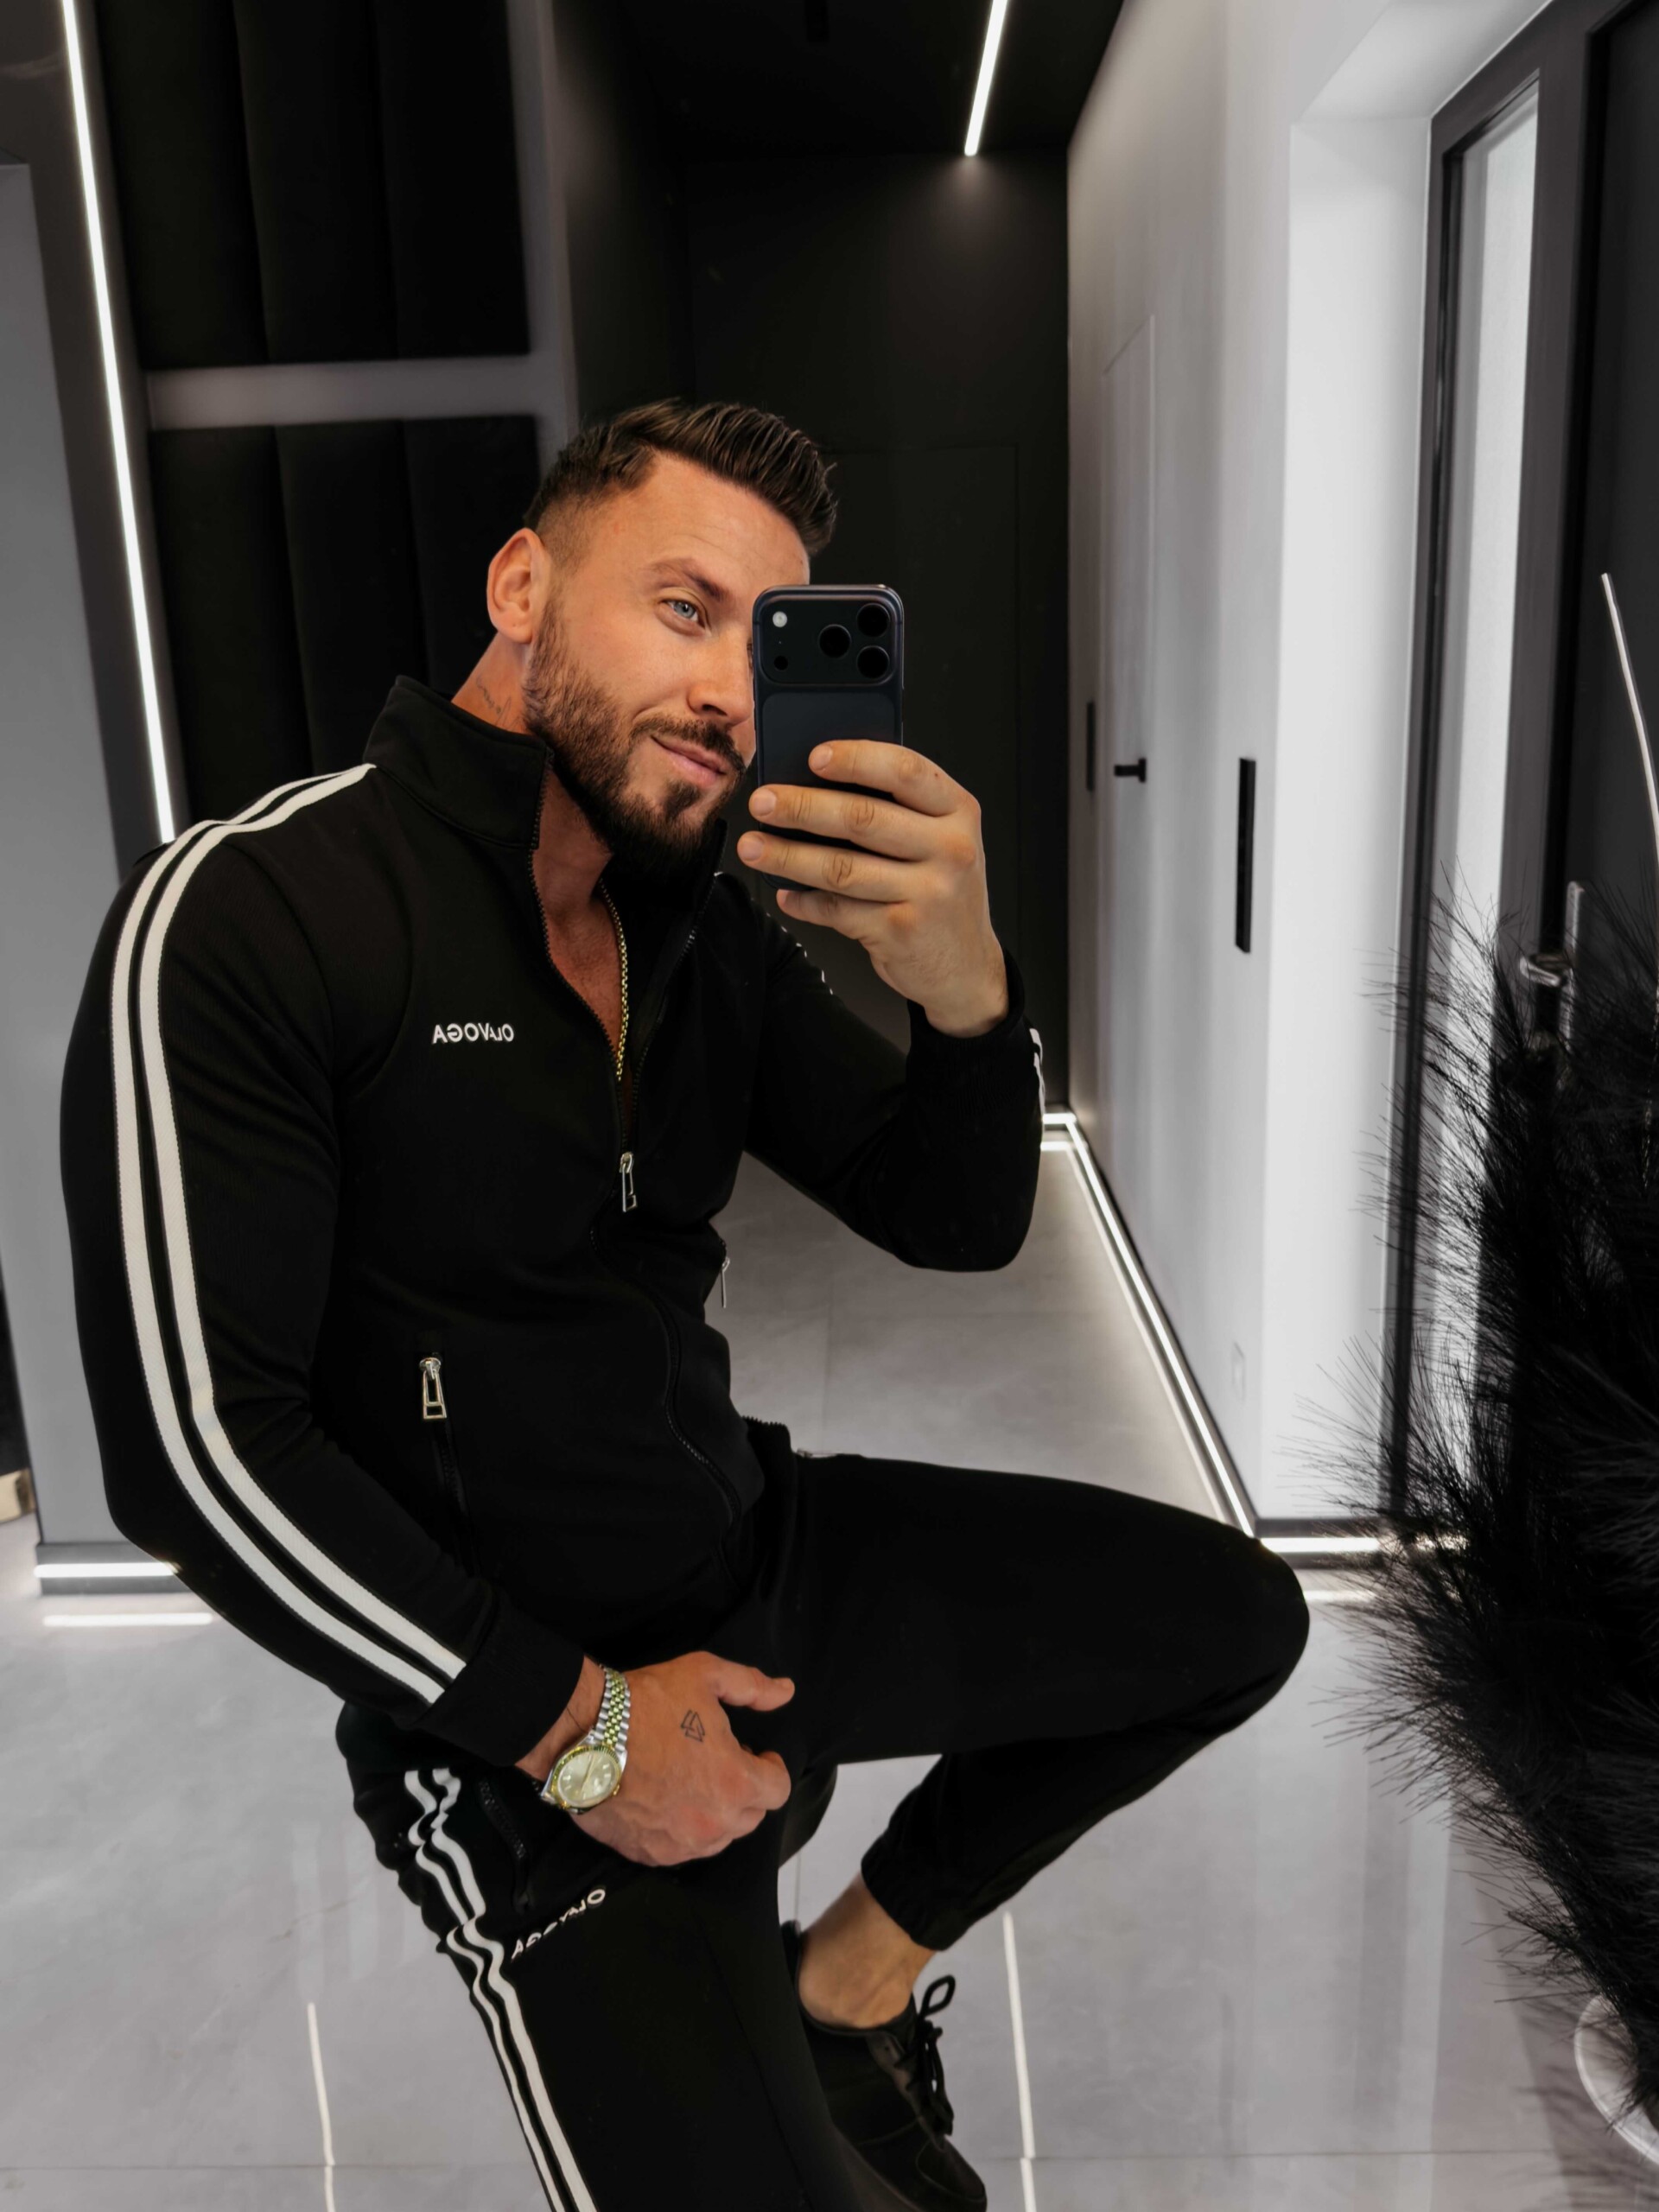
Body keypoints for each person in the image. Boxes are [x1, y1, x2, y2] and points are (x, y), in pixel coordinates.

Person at [60, 399, 1307, 2212]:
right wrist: (581, 1731)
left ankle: (842, 1994)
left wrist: (966, 996)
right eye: (683, 607)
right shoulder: (259, 911)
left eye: (769, 636)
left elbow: (951, 1217)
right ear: (522, 588)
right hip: (519, 1720)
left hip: (754, 1559)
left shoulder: (700, 927)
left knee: (1230, 1619)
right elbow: (196, 1453)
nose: (731, 687)